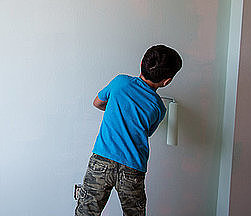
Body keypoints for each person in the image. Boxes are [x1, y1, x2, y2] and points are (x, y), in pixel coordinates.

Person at [75, 44, 182, 216]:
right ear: (166, 81)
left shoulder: (120, 82)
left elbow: (97, 102)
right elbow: (146, 131)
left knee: (86, 211)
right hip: (132, 169)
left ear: (141, 63)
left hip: (102, 160)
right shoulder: (159, 108)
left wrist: (115, 110)